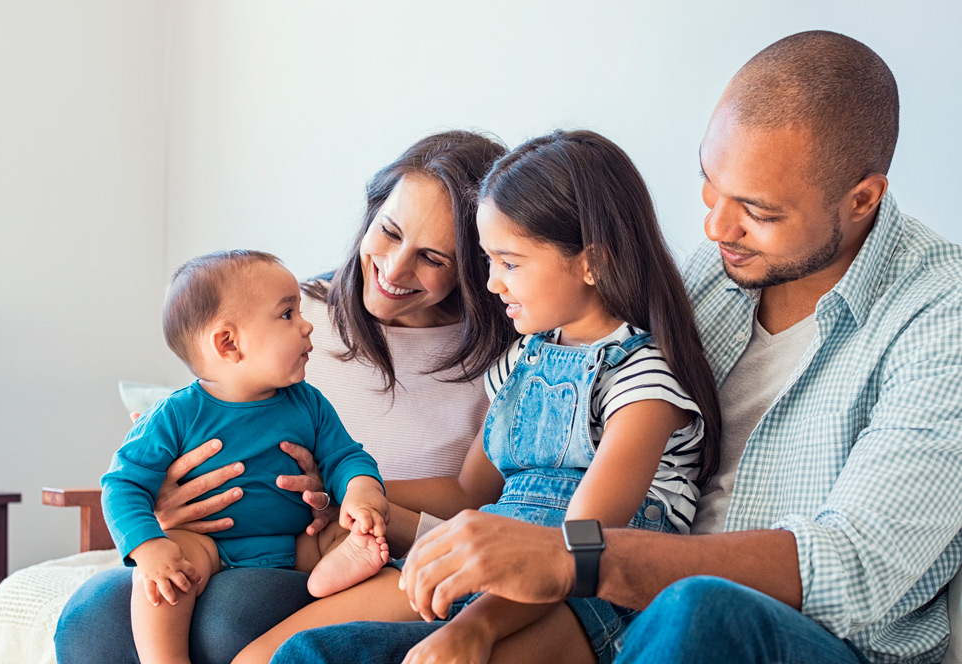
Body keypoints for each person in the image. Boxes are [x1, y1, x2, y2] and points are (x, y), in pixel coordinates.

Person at [273, 31, 962, 664]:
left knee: (697, 611)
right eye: (710, 185)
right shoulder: (713, 278)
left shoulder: (939, 315)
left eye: (758, 210)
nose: (717, 227)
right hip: (620, 609)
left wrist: (575, 559)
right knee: (315, 656)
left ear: (863, 199)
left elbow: (855, 568)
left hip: (785, 635)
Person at [231, 129, 722, 664]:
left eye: (508, 263)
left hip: (582, 596)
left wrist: (475, 629)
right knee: (274, 656)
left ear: (592, 263)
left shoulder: (641, 382)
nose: (489, 284)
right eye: (487, 261)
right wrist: (348, 486)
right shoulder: (522, 362)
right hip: (486, 562)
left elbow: (581, 548)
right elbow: (469, 490)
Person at [54, 130, 516, 664]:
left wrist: (351, 495)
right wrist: (160, 509)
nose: (393, 270)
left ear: (477, 264)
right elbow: (158, 453)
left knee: (229, 615)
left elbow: (477, 497)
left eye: (433, 258)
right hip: (216, 536)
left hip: (338, 543)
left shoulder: (503, 362)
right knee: (92, 614)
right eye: (388, 232)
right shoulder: (285, 315)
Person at [101, 250, 392, 663]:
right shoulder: (176, 414)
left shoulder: (308, 403)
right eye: (288, 314)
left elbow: (345, 457)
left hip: (298, 542)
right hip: (211, 545)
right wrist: (148, 548)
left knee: (350, 536)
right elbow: (122, 484)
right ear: (229, 343)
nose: (308, 325)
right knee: (167, 576)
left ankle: (332, 573)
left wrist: (362, 495)